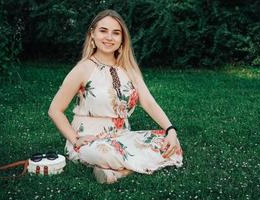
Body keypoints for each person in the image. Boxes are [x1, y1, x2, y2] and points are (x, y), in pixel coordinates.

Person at [48, 9, 183, 184]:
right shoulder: (83, 68)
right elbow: (55, 110)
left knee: (171, 143)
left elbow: (149, 103)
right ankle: (122, 165)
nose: (109, 37)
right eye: (103, 31)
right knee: (103, 152)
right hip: (89, 140)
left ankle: (117, 173)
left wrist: (170, 130)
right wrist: (75, 139)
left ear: (122, 40)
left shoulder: (129, 69)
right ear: (93, 34)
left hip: (122, 137)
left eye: (116, 33)